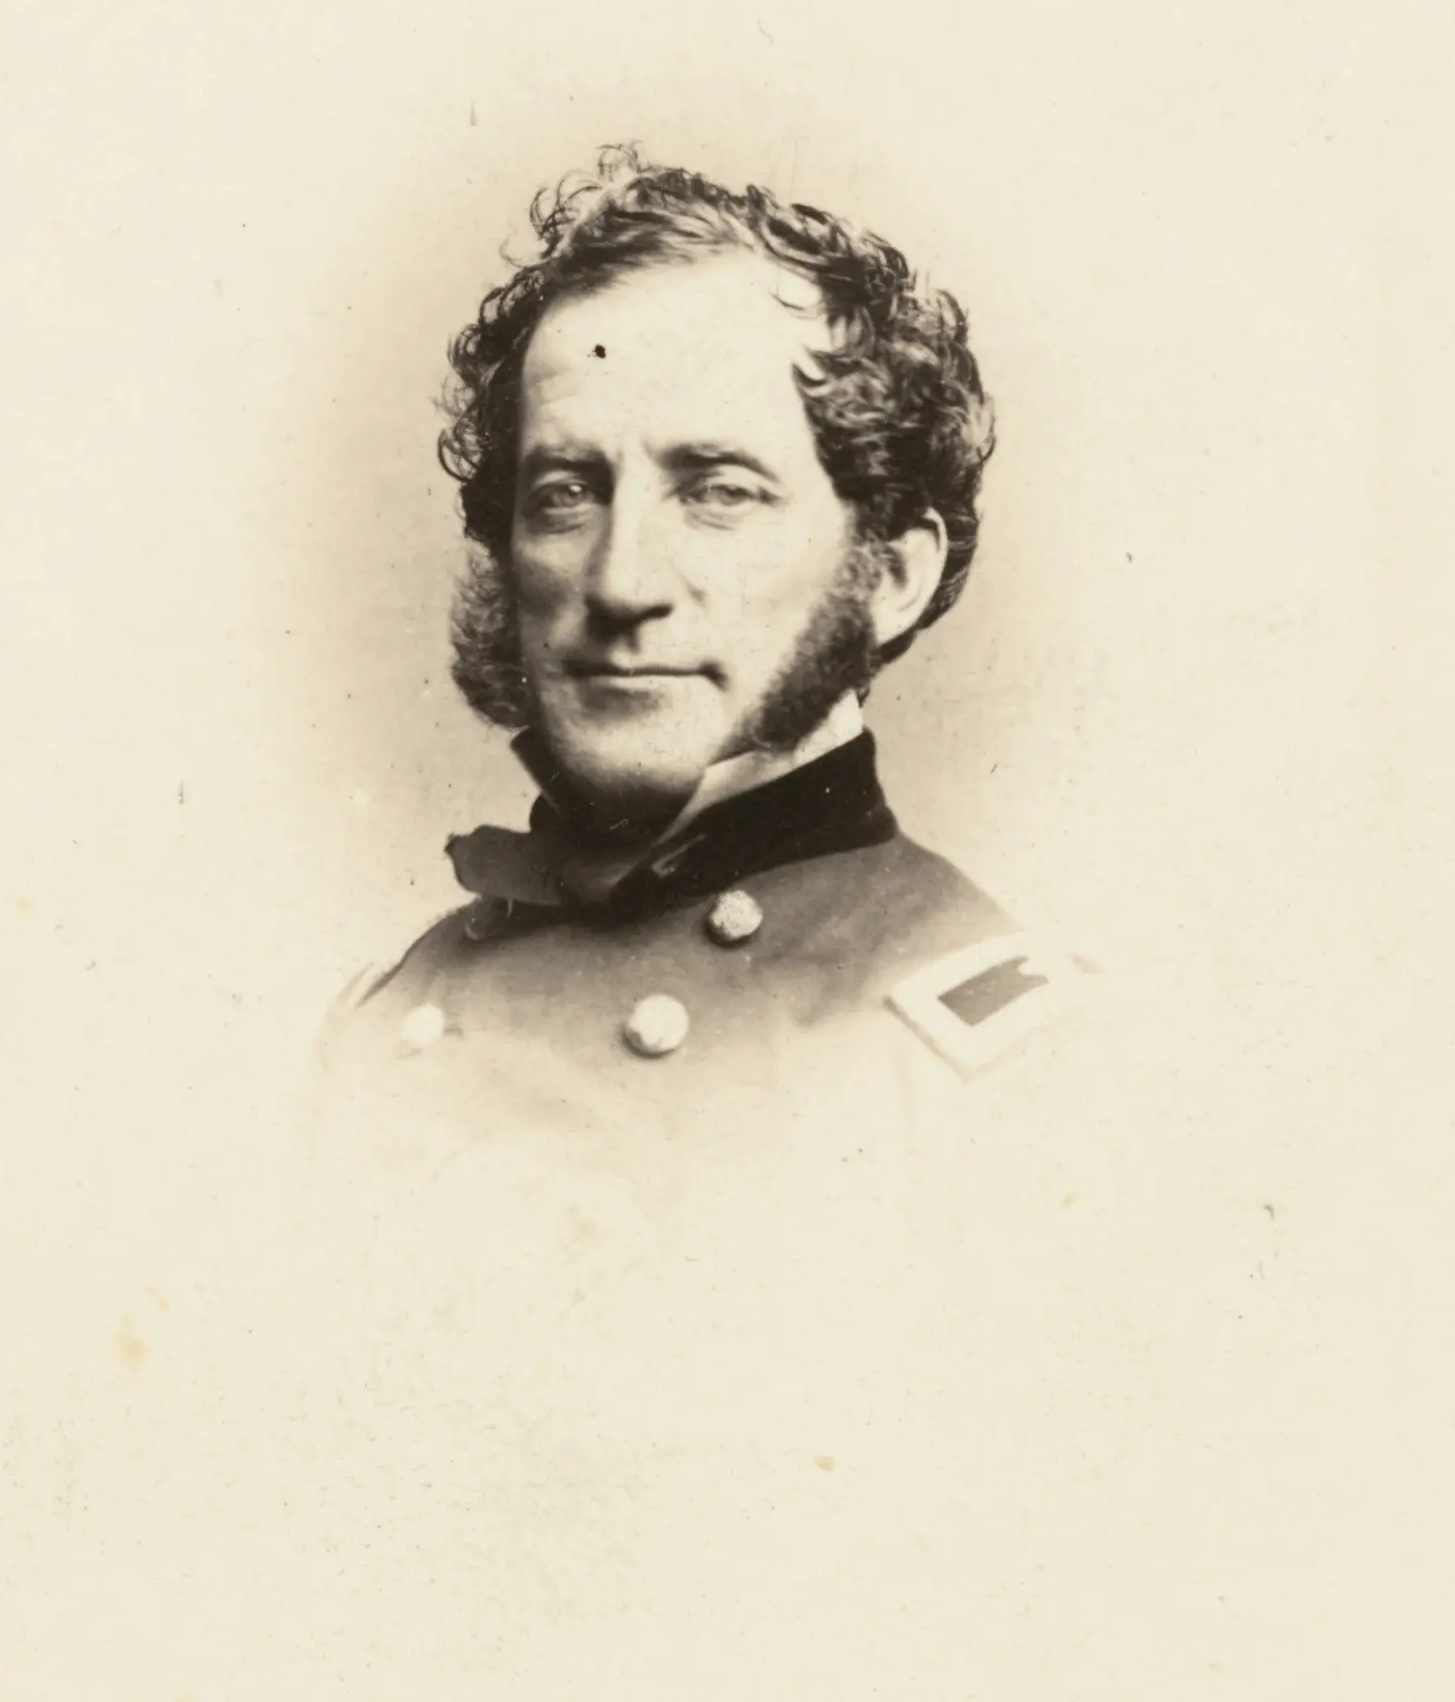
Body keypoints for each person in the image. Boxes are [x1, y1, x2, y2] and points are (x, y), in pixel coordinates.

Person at [296, 150, 1188, 1699]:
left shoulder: (1014, 1066)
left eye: (716, 489)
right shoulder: (385, 1017)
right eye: (565, 492)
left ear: (889, 573)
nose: (621, 581)